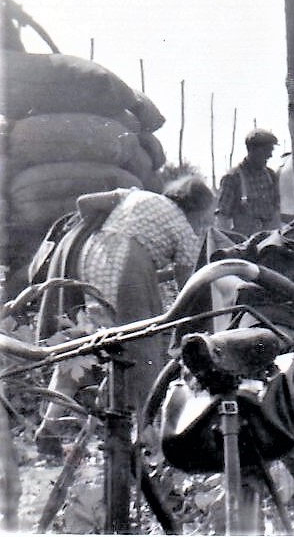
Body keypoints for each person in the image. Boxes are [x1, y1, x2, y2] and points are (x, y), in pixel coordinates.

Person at [35, 177, 215, 456]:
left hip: (93, 256)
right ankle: (147, 436)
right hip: (129, 266)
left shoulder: (135, 195)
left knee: (86, 342)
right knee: (144, 346)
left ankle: (49, 426)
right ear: (197, 209)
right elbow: (187, 290)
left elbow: (84, 202)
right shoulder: (184, 229)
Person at [216, 128, 281, 235]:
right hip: (244, 242)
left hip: (270, 241)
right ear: (252, 150)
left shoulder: (271, 176)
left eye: (271, 150)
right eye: (266, 150)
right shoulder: (233, 178)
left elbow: (277, 210)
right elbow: (222, 218)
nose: (270, 155)